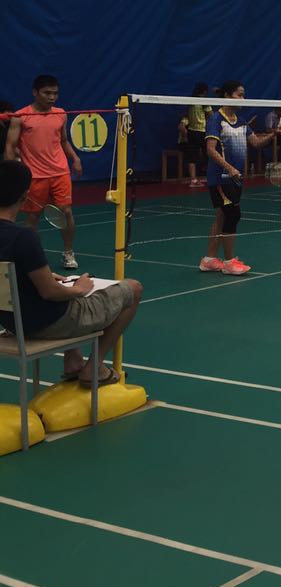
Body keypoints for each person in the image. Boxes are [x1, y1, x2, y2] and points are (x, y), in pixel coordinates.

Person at [0, 159, 143, 387]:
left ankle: (73, 361)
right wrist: (79, 289)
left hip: (12, 324)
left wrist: (48, 277)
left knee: (64, 286)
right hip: (46, 324)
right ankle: (94, 368)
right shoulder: (24, 237)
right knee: (133, 289)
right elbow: (49, 293)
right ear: (25, 196)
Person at [201, 81, 281, 275]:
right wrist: (229, 168)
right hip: (221, 177)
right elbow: (210, 149)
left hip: (235, 178)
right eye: (239, 94)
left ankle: (209, 260)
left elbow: (257, 143)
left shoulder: (241, 121)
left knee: (221, 216)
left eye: (244, 94)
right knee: (232, 215)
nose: (243, 98)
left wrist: (274, 134)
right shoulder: (216, 119)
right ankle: (229, 262)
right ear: (227, 96)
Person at [4, 75, 82, 269]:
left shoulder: (61, 114)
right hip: (35, 175)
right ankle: (31, 257)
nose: (52, 97)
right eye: (47, 93)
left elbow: (63, 140)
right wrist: (11, 172)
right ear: (35, 92)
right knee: (33, 217)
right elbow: (10, 146)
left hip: (60, 171)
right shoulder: (21, 116)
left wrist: (75, 158)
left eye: (55, 93)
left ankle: (68, 253)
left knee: (66, 211)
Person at [178, 83, 212, 188]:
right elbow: (210, 115)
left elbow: (187, 116)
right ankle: (212, 177)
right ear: (204, 91)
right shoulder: (204, 102)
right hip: (202, 132)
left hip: (192, 132)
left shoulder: (190, 102)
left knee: (192, 157)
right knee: (210, 155)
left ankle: (193, 180)